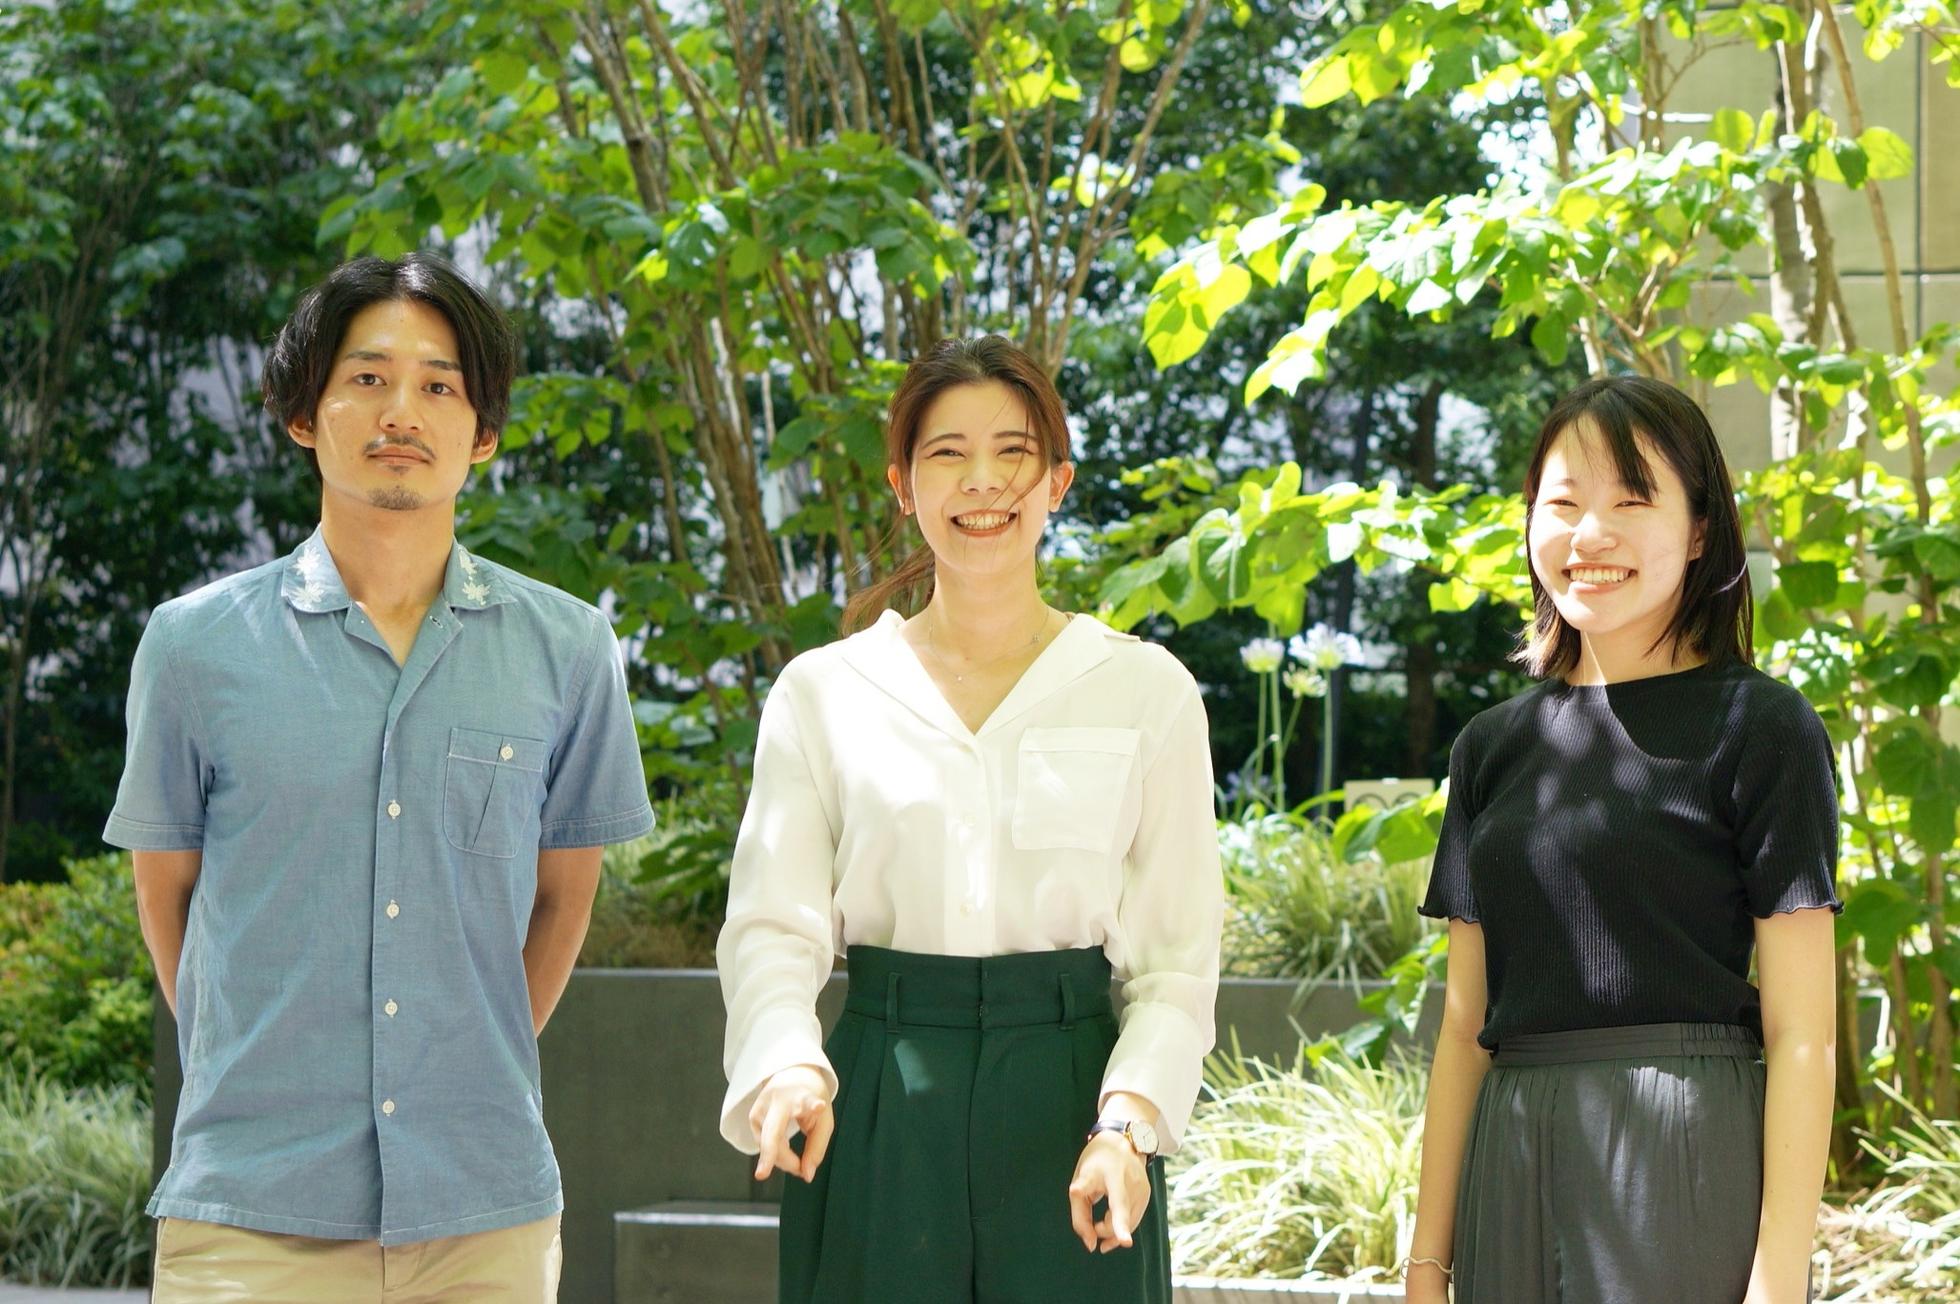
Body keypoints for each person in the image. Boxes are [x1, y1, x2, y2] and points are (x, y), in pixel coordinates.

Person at [104, 253, 654, 1303]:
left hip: (483, 1211)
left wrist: (466, 1051)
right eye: (367, 377)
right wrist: (255, 1054)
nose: (402, 410)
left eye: (440, 385)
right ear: (303, 412)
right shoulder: (193, 646)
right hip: (251, 1214)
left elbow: (562, 898)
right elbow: (167, 898)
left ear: (482, 432)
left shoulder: (568, 648)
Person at [716, 335, 1223, 1303]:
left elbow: (1175, 961)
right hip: (879, 1093)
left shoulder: (1143, 689)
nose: (982, 481)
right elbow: (772, 929)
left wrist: (1129, 1123)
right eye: (947, 453)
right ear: (903, 486)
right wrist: (787, 1065)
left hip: (1076, 1102)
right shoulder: (824, 692)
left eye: (1013, 452)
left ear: (1058, 482)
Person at [1405, 375, 1840, 1304]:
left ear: (1699, 531)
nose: (1589, 535)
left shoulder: (1763, 728)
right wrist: (1426, 1265)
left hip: (1683, 1152)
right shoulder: (1490, 747)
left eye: (1631, 502)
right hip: (1510, 1157)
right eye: (1563, 504)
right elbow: (1463, 1028)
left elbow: (1804, 1034)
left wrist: (1779, 1282)